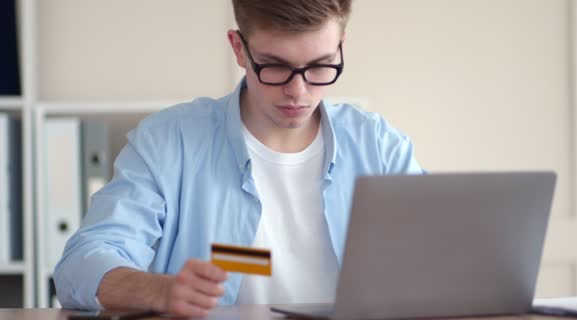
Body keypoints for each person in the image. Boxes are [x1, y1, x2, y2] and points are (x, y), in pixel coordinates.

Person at [54, 0, 424, 317]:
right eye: (275, 66)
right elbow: (80, 265)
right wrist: (159, 291)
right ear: (238, 48)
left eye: (319, 66)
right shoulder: (170, 142)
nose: (298, 91)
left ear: (341, 47)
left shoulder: (378, 146)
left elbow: (440, 258)